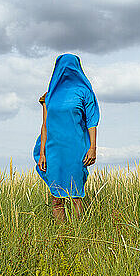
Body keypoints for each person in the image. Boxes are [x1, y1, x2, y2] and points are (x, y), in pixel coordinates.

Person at [32, 53, 100, 222]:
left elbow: (92, 121)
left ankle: (79, 233)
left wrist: (92, 148)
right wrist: (42, 153)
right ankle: (62, 233)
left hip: (75, 149)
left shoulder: (85, 93)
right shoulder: (49, 95)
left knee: (75, 195)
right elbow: (45, 125)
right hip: (53, 149)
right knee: (56, 196)